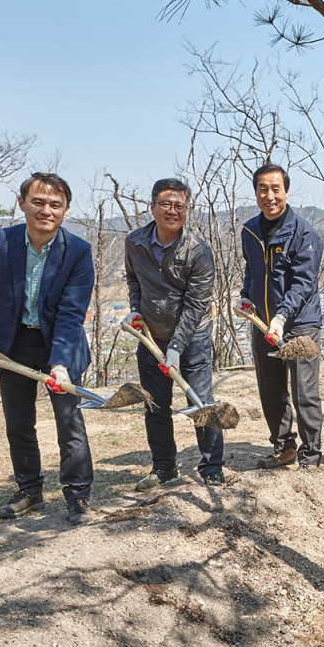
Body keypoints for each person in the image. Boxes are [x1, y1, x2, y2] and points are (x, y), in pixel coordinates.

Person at [0, 172, 97, 525]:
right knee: (19, 423)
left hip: (61, 344)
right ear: (21, 202)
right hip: (12, 345)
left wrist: (60, 364)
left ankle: (78, 496)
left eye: (55, 204)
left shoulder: (78, 252)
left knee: (69, 422)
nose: (46, 210)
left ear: (66, 210)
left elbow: (71, 315)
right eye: (37, 202)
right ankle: (29, 489)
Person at [124, 178, 225, 489]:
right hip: (152, 336)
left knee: (201, 402)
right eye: (165, 204)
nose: (172, 211)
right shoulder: (135, 242)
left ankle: (211, 467)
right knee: (155, 404)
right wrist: (135, 310)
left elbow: (197, 305)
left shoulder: (198, 251)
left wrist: (178, 346)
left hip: (192, 338)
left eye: (179, 206)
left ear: (187, 210)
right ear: (152, 206)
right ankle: (164, 468)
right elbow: (134, 279)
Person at [240, 163, 324, 470]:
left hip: (300, 324)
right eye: (263, 189)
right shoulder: (250, 230)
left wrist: (282, 317)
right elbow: (252, 270)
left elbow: (304, 282)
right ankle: (284, 446)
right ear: (256, 193)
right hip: (263, 322)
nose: (270, 196)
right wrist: (246, 297)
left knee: (304, 392)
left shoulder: (305, 234)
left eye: (276, 189)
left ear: (286, 191)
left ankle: (311, 455)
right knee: (271, 389)